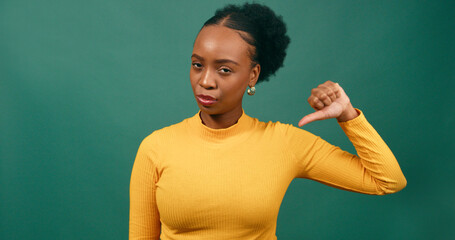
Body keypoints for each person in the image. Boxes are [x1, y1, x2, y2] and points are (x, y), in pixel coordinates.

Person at [129, 3, 407, 240]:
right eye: (197, 64)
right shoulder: (155, 147)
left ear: (253, 75)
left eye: (224, 69)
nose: (205, 81)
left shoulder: (283, 142)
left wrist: (348, 115)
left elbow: (387, 181)